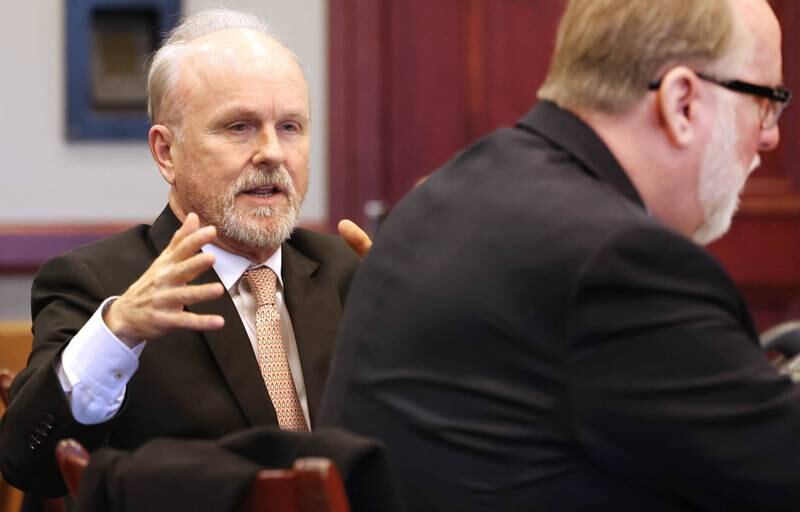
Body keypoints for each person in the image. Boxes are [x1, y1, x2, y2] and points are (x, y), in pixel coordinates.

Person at [319, 0, 800, 510]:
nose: (770, 136)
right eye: (765, 102)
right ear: (682, 102)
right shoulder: (619, 261)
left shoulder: (446, 193)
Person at [0, 8, 370, 498]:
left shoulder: (349, 270)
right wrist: (118, 333)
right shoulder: (101, 284)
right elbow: (31, 466)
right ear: (166, 152)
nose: (272, 152)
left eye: (290, 127)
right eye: (239, 127)